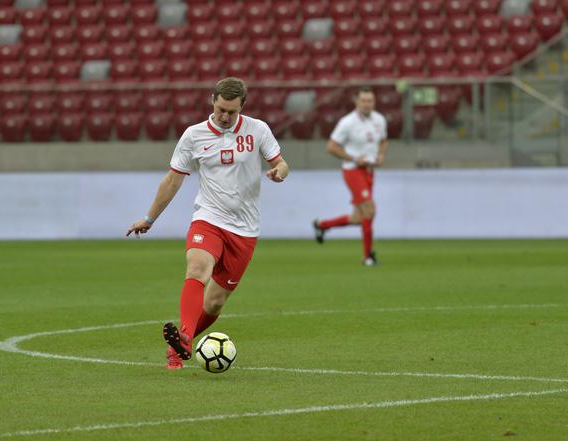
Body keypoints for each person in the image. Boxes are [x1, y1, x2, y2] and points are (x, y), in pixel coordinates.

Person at [127, 77, 290, 369]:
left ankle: (176, 349)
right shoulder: (194, 135)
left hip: (245, 229)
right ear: (212, 101)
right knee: (197, 269)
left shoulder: (258, 129)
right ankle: (186, 337)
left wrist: (279, 171)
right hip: (209, 218)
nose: (225, 117)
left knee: (214, 303)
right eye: (220, 109)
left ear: (242, 107)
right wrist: (150, 218)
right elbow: (173, 179)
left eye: (232, 112)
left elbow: (281, 162)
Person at [313, 86, 388, 266]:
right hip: (353, 170)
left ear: (374, 102)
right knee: (370, 210)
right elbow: (331, 146)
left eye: (370, 100)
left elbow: (384, 141)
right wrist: (354, 158)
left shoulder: (379, 119)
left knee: (358, 218)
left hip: (369, 171)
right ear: (357, 102)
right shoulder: (347, 122)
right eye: (363, 100)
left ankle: (321, 225)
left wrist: (381, 155)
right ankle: (368, 256)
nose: (367, 104)